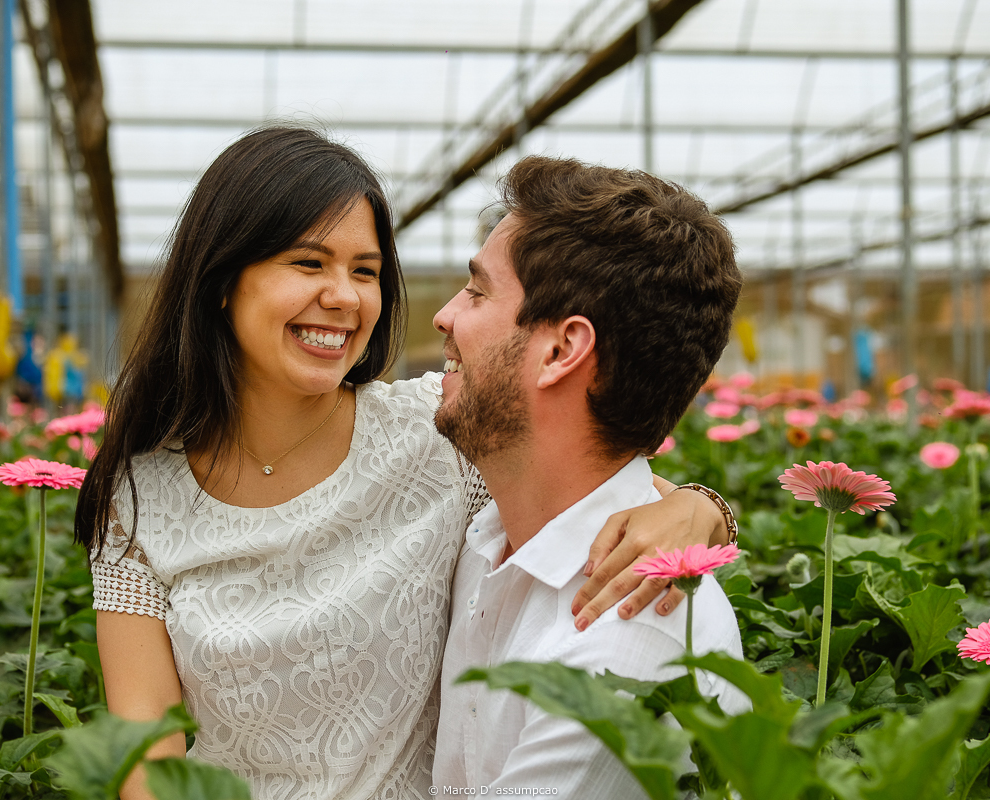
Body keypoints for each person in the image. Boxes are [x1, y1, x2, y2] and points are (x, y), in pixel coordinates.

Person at [75, 127, 734, 800]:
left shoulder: (433, 435)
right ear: (222, 280)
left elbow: (591, 483)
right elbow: (147, 762)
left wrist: (701, 506)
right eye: (309, 263)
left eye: (365, 271)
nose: (345, 296)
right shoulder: (140, 498)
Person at [432, 156, 749, 798]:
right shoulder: (490, 530)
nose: (445, 315)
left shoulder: (627, 641)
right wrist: (706, 503)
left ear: (561, 351)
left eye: (477, 292)